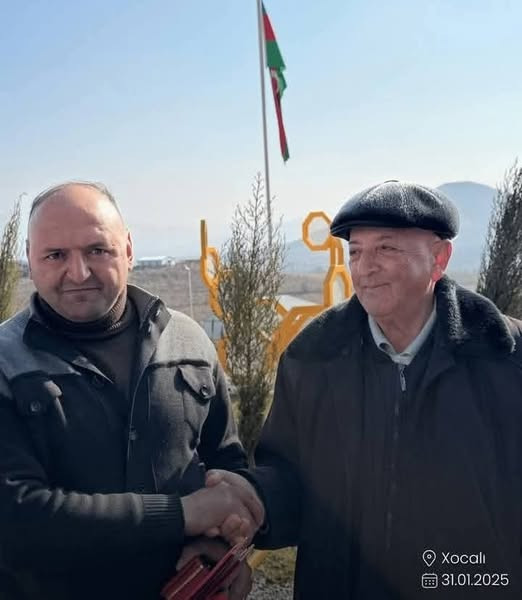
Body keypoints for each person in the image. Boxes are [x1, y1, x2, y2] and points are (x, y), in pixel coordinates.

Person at [211, 180, 522, 598]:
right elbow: (289, 478)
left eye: (386, 249)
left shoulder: (505, 359)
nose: (364, 267)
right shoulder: (312, 358)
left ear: (439, 258)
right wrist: (254, 500)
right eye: (355, 252)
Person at [0, 182, 263, 600]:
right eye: (55, 255)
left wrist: (223, 551)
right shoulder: (7, 363)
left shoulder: (188, 343)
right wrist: (184, 514)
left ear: (127, 249)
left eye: (97, 250)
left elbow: (225, 468)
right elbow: (18, 517)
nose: (79, 272)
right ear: (30, 260)